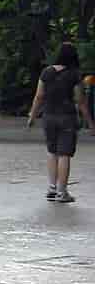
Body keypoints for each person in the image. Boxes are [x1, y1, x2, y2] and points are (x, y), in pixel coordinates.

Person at [27, 43, 94, 203]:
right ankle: (62, 192)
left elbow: (39, 96)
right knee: (64, 154)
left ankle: (52, 188)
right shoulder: (74, 75)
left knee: (52, 152)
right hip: (67, 117)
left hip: (48, 116)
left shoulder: (46, 72)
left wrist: (32, 116)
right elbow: (80, 101)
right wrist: (91, 123)